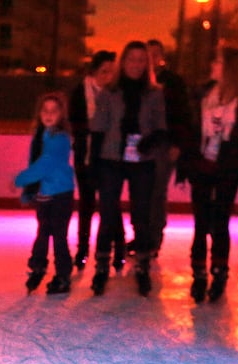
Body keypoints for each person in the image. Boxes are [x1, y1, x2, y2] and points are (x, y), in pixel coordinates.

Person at [181, 47, 238, 304]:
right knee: (200, 224)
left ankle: (219, 273)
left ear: (230, 69)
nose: (213, 64)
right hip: (202, 165)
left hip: (227, 169)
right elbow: (190, 128)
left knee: (219, 223)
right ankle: (199, 274)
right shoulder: (203, 95)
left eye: (218, 61)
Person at [89, 41, 166, 297]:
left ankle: (142, 266)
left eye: (141, 60)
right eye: (131, 59)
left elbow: (160, 127)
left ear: (148, 64)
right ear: (124, 62)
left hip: (142, 161)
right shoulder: (108, 92)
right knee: (108, 211)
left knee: (141, 213)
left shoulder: (154, 93)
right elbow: (98, 129)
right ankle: (101, 266)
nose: (136, 65)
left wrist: (150, 140)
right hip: (111, 159)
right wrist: (94, 164)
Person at [14, 93, 76, 296]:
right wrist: (28, 192)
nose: (49, 115)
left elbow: (45, 163)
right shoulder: (41, 136)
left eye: (54, 111)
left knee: (58, 235)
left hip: (60, 194)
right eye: (45, 110)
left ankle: (63, 275)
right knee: (42, 232)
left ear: (61, 115)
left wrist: (21, 179)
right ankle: (37, 266)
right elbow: (34, 162)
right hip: (44, 193)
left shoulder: (60, 139)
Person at [67, 51, 118, 270]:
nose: (108, 76)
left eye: (111, 72)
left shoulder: (116, 93)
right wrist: (94, 129)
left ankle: (118, 247)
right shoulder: (80, 93)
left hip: (111, 156)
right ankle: (83, 248)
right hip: (85, 155)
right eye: (104, 72)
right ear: (94, 72)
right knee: (87, 202)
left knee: (110, 203)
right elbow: (74, 123)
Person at [146, 38, 192, 256]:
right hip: (145, 144)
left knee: (156, 191)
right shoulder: (140, 81)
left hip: (164, 144)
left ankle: (154, 237)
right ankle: (144, 235)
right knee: (144, 191)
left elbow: (182, 114)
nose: (152, 58)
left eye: (156, 54)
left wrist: (177, 144)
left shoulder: (173, 82)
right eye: (148, 54)